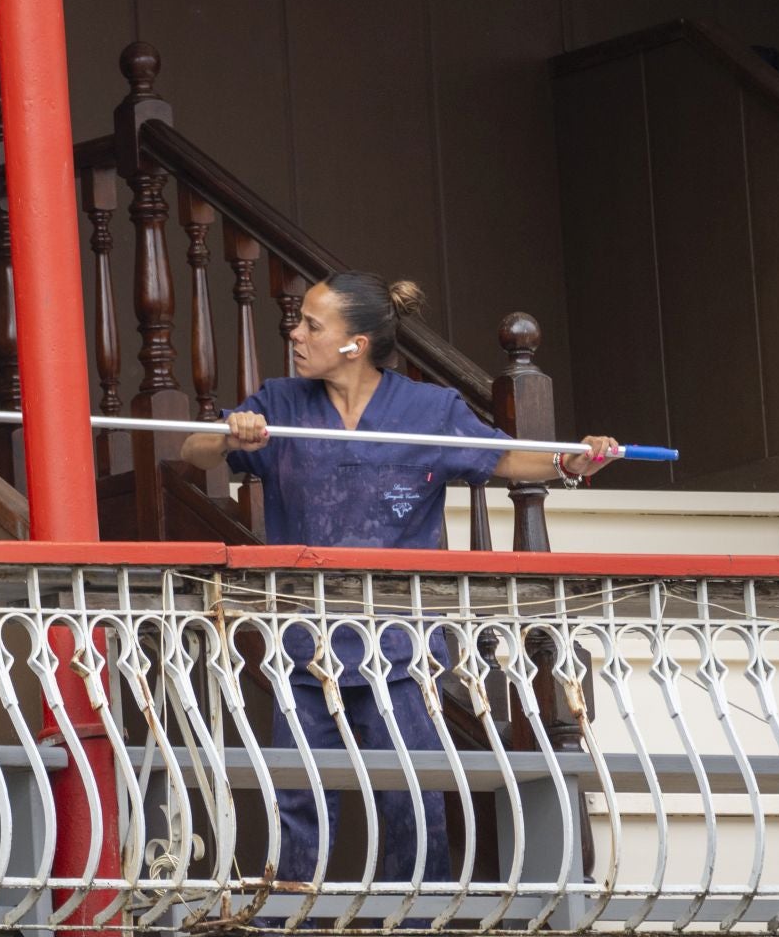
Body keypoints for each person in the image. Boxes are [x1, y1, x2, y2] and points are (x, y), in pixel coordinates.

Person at [180, 272, 619, 891]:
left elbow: (501, 457)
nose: (296, 333)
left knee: (414, 794)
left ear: (355, 343)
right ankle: (287, 914)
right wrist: (230, 434)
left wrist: (571, 460)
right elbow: (194, 451)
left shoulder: (427, 411)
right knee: (298, 795)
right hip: (300, 639)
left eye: (312, 324)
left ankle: (422, 910)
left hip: (402, 643)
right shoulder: (278, 404)